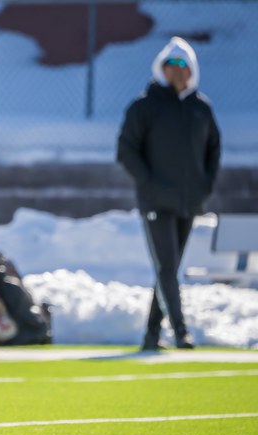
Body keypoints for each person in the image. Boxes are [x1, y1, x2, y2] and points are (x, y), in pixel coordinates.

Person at [117, 36, 220, 351]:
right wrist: (148, 183)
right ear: (161, 68)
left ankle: (151, 335)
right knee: (165, 266)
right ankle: (180, 332)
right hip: (156, 202)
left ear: (192, 71)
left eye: (183, 65)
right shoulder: (145, 106)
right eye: (171, 64)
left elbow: (213, 151)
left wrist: (204, 186)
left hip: (187, 202)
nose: (177, 71)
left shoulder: (200, 109)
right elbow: (126, 150)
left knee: (169, 270)